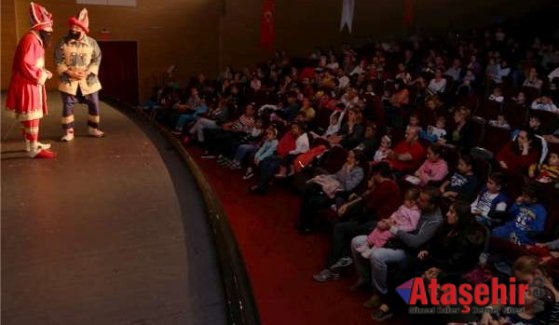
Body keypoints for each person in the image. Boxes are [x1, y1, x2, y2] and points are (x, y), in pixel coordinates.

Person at [350, 187, 443, 321]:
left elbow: (415, 242)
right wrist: (388, 222)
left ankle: (379, 294)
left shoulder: (435, 220)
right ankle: (365, 278)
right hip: (392, 238)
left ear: (432, 205)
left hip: (408, 249)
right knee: (356, 241)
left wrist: (392, 228)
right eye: (418, 198)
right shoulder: (417, 206)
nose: (417, 201)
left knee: (377, 256)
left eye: (422, 200)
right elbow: (399, 215)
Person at [5, 2, 56, 159]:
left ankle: (30, 143)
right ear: (41, 28)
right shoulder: (31, 39)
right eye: (48, 30)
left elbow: (31, 63)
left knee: (30, 116)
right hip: (27, 83)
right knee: (32, 115)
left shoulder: (34, 39)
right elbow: (26, 64)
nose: (49, 33)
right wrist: (42, 75)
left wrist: (43, 71)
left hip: (29, 81)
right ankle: (33, 148)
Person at [55, 8, 104, 142]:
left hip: (88, 80)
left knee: (94, 103)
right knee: (67, 105)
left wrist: (87, 72)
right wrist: (69, 72)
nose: (73, 29)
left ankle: (93, 128)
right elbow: (58, 59)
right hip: (69, 80)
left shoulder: (92, 43)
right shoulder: (62, 42)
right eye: (72, 27)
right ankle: (68, 131)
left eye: (76, 27)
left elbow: (97, 59)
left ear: (83, 29)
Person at [296, 150, 365, 232]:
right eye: (348, 156)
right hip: (332, 186)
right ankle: (304, 221)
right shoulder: (346, 165)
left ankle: (307, 225)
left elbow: (348, 187)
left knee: (315, 200)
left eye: (350, 157)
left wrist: (347, 171)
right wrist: (326, 177)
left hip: (339, 194)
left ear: (357, 161)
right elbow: (337, 176)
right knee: (310, 190)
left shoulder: (359, 172)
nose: (347, 159)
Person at [354, 188, 421, 258]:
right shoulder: (403, 206)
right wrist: (390, 218)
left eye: (406, 200)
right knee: (378, 228)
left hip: (398, 230)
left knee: (384, 234)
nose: (404, 201)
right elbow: (396, 213)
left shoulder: (415, 213)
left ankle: (373, 249)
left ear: (412, 202)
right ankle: (367, 244)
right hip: (392, 223)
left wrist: (398, 228)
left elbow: (413, 226)